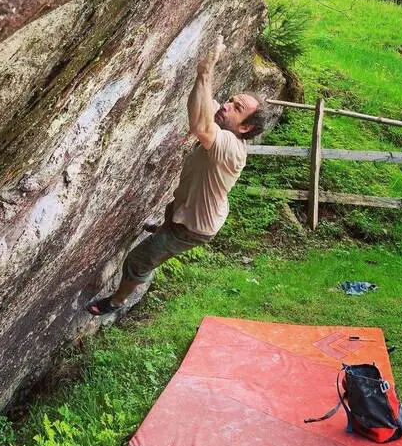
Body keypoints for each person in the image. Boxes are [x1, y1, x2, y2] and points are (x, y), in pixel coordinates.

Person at [86, 35, 267, 315]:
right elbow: (203, 104)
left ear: (244, 128)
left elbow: (200, 125)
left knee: (139, 259)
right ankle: (164, 232)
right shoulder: (224, 131)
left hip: (195, 229)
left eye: (236, 108)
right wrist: (204, 71)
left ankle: (116, 302)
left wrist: (206, 71)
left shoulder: (232, 148)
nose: (227, 106)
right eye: (231, 100)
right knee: (172, 213)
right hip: (190, 210)